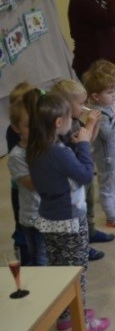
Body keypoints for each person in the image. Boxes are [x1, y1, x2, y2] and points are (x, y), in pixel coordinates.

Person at [25, 90, 110, 331]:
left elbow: (58, 166)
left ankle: (65, 315)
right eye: (69, 119)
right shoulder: (58, 152)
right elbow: (84, 175)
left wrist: (74, 143)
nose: (74, 121)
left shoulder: (36, 147)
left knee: (59, 270)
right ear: (58, 123)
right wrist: (83, 145)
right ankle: (80, 322)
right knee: (77, 272)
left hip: (49, 220)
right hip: (70, 220)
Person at [51, 79, 113, 258]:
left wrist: (95, 124)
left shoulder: (76, 120)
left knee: (89, 204)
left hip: (83, 170)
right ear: (65, 105)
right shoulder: (64, 126)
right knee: (80, 210)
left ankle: (91, 231)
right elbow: (81, 143)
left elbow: (88, 140)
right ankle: (83, 245)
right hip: (74, 176)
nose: (84, 106)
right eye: (81, 103)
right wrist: (91, 124)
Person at [84, 69, 115, 229]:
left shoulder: (109, 107)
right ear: (95, 96)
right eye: (109, 92)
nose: (114, 95)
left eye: (114, 91)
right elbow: (108, 135)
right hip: (108, 159)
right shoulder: (100, 114)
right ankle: (111, 216)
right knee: (107, 188)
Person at [7, 99, 46, 265]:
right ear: (16, 128)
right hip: (34, 219)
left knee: (53, 255)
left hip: (52, 213)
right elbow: (32, 184)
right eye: (29, 125)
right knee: (40, 259)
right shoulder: (17, 156)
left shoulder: (46, 146)